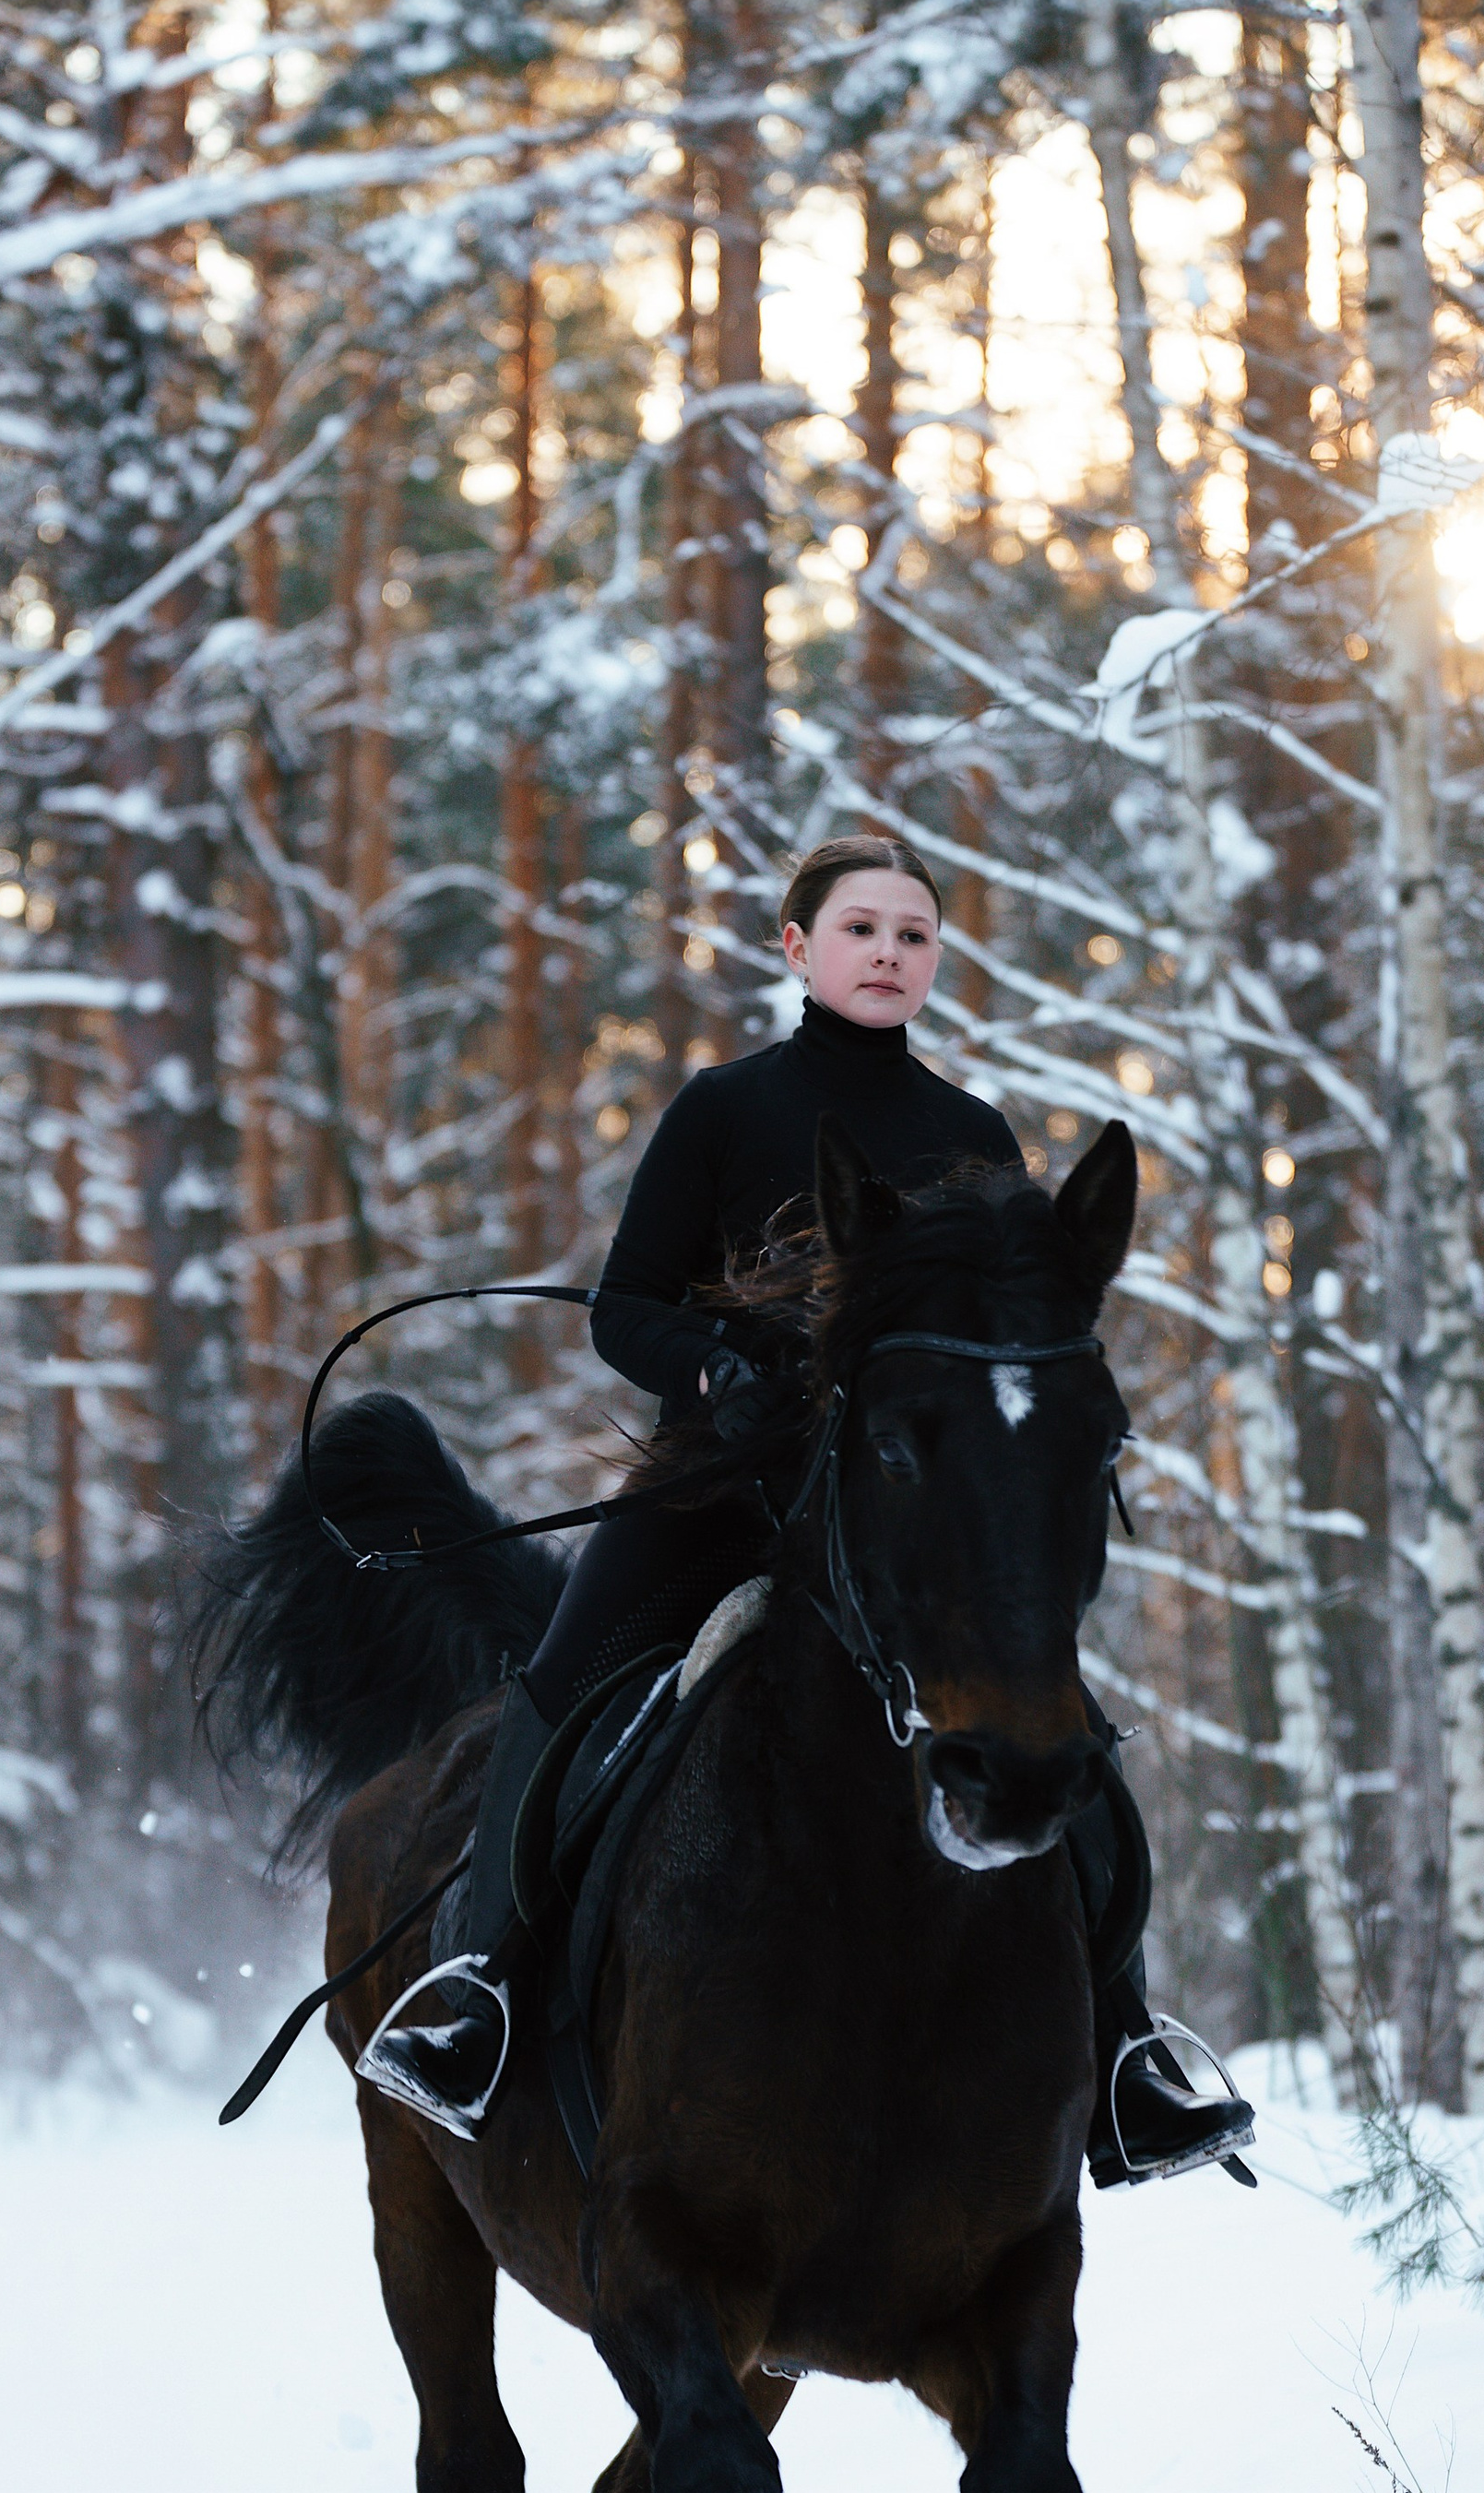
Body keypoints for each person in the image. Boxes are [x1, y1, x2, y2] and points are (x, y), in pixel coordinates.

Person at [364, 834, 1255, 2185]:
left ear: (937, 961)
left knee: (1055, 1722)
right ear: (797, 948)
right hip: (718, 1484)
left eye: (913, 933)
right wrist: (714, 1366)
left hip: (902, 1518)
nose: (889, 952)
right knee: (555, 1682)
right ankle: (481, 1992)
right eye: (861, 930)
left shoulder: (972, 1136)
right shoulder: (724, 1109)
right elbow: (626, 1307)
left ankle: (1126, 2059)